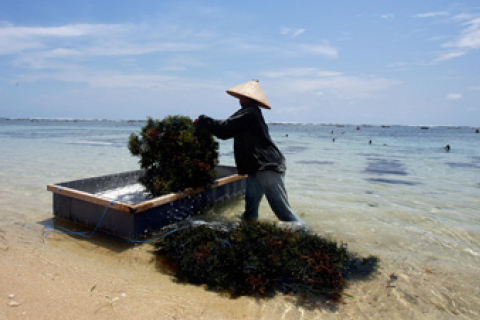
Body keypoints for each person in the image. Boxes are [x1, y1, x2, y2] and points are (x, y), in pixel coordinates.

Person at [196, 80, 302, 224]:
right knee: (250, 208)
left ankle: (305, 235)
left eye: (241, 96)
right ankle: (248, 231)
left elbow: (225, 129)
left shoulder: (249, 113)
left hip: (267, 166)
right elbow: (226, 130)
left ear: (247, 97)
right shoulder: (249, 113)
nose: (239, 99)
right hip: (256, 167)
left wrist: (203, 120)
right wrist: (208, 123)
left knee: (282, 211)